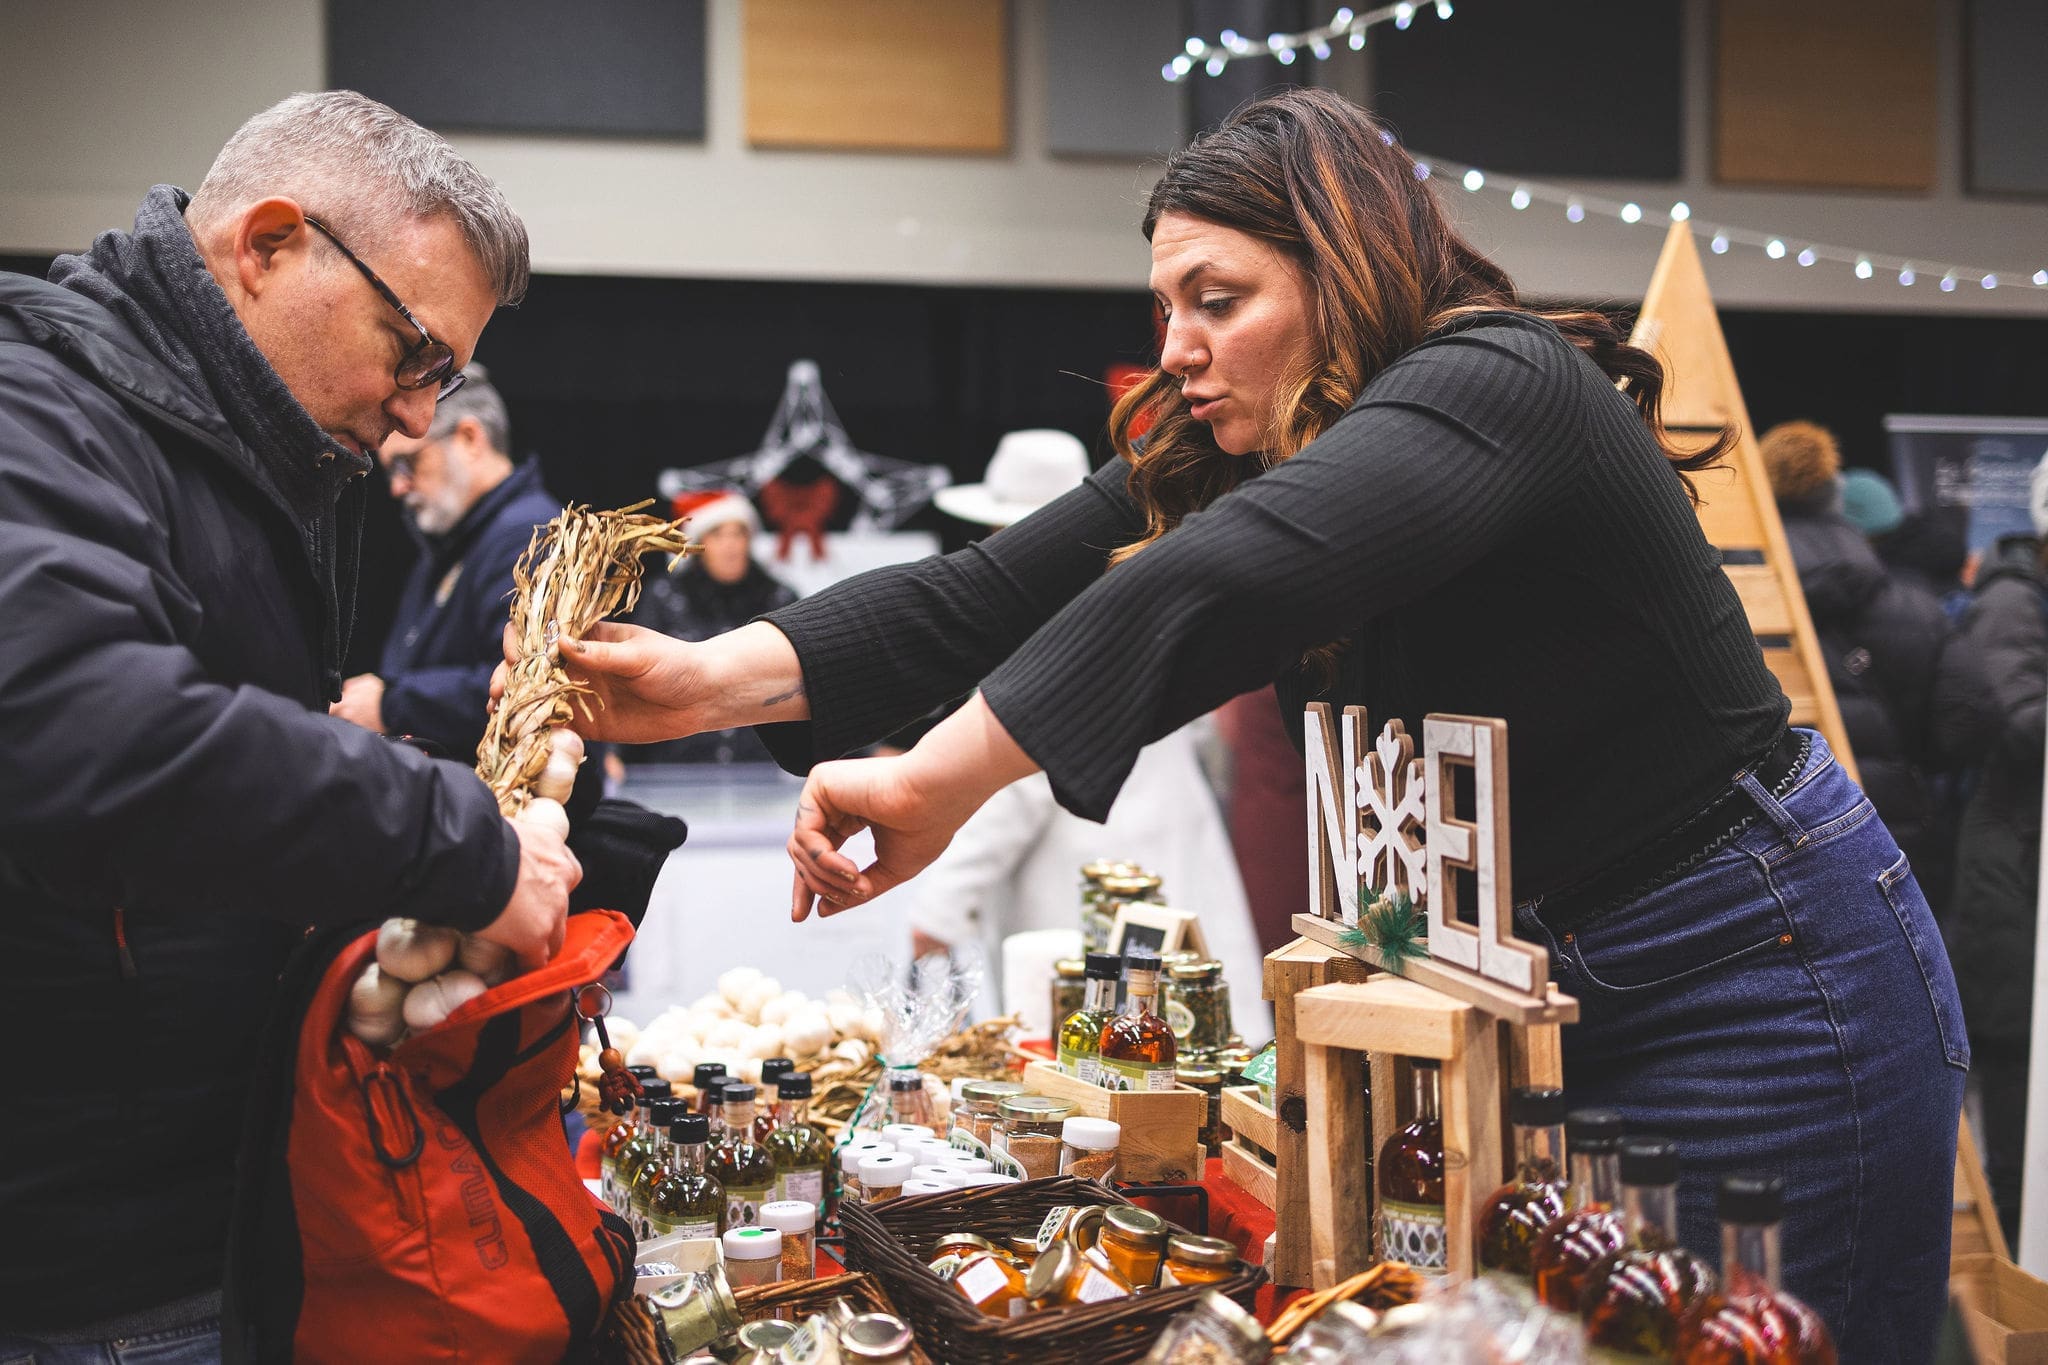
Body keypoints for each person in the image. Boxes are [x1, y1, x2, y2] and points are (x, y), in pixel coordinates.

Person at [518, 90, 1962, 1361]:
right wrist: (708, 681)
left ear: (1341, 276)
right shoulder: (1234, 441)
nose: (1178, 349)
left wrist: (943, 777)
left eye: (1219, 300)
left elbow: (1233, 574)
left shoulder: (1500, 382)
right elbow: (986, 592)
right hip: (1519, 1000)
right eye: (1165, 309)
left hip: (1752, 971)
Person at [0, 92, 578, 1359]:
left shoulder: (237, 451)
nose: (424, 414)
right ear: (268, 246)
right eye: (415, 351)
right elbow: (76, 727)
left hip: (208, 1217)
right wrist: (458, 836)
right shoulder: (38, 416)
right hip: (91, 1277)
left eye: (451, 379)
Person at [893, 430, 1263, 1037]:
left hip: (1081, 877)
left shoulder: (1041, 621)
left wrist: (940, 910)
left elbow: (1014, 778)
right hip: (1172, 847)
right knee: (1191, 1032)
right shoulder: (1140, 590)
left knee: (1095, 1050)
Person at [1760, 420, 1996, 918]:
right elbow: (1972, 712)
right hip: (1890, 827)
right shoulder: (1914, 606)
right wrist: (1906, 766)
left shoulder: (1733, 598)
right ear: (1834, 499)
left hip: (1761, 834)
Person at [330, 364, 561, 759]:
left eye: (407, 464)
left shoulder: (531, 534)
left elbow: (532, 683)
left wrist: (390, 705)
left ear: (470, 438)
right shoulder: (461, 541)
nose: (398, 487)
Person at [1947, 476, 2048, 1246]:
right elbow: (2023, 728)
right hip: (2012, 882)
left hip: (2015, 869)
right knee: (2018, 1098)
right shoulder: (2013, 602)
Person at [618, 489, 797, 764]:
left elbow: (813, 675)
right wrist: (612, 754)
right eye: (718, 534)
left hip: (760, 765)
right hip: (675, 761)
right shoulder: (665, 597)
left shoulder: (779, 598)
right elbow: (630, 677)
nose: (731, 545)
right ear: (699, 545)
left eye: (739, 533)